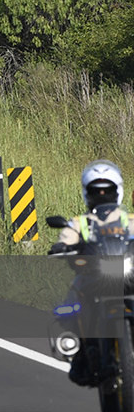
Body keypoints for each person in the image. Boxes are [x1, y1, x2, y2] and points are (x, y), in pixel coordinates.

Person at [49, 160, 132, 385]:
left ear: (118, 191)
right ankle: (83, 352)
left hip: (127, 274)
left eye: (107, 190)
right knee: (71, 305)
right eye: (97, 191)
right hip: (93, 276)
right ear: (88, 193)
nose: (103, 194)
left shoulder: (130, 219)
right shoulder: (80, 222)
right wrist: (62, 247)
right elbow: (66, 238)